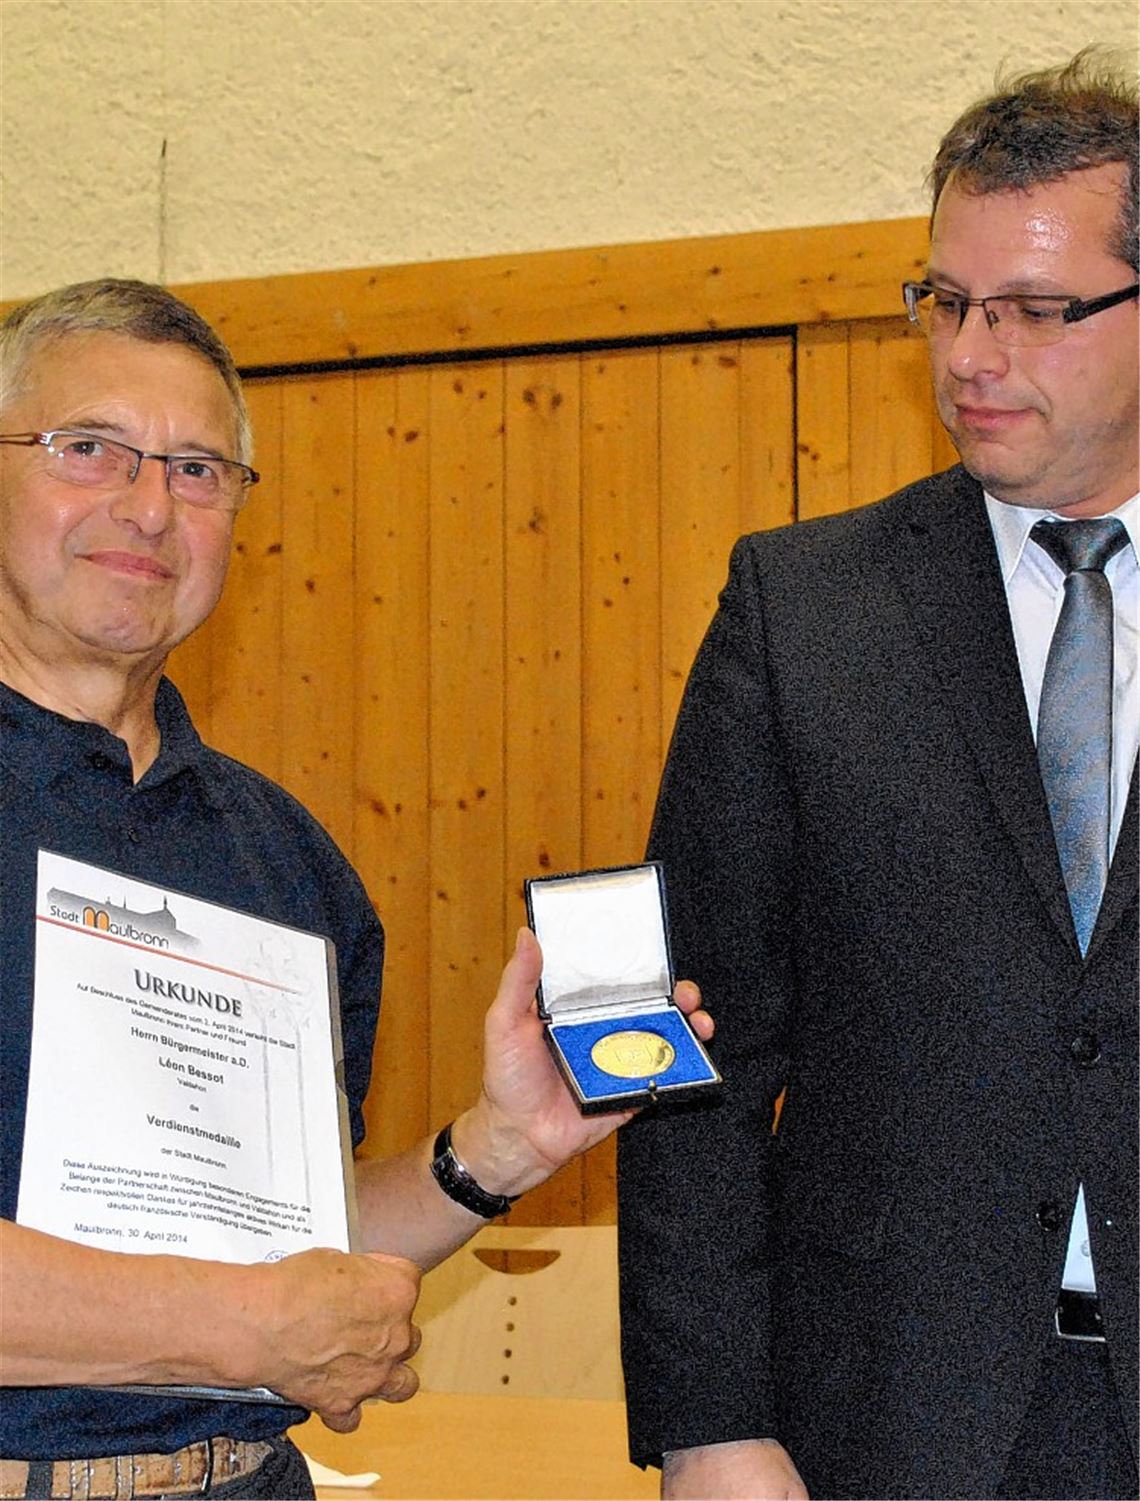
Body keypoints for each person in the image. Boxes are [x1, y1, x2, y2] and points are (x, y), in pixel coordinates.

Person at [0, 279, 711, 1499]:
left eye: (198, 470)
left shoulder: (285, 861)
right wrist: (240, 1329)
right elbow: (260, 1316)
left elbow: (297, 1256)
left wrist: (494, 1149)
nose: (149, 506)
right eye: (89, 449)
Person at [617, 49, 1138, 1501]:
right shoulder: (804, 613)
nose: (971, 354)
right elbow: (689, 1040)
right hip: (888, 1423)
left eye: (1035, 309)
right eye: (946, 301)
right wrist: (707, 1421)